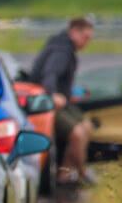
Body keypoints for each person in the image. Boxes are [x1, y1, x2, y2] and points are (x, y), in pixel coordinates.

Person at [30, 17, 95, 185]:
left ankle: (65, 171)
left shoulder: (64, 47)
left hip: (62, 101)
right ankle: (81, 174)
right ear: (74, 32)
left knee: (87, 125)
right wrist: (53, 94)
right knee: (78, 133)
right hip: (47, 103)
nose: (86, 42)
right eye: (85, 37)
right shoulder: (62, 51)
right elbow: (50, 74)